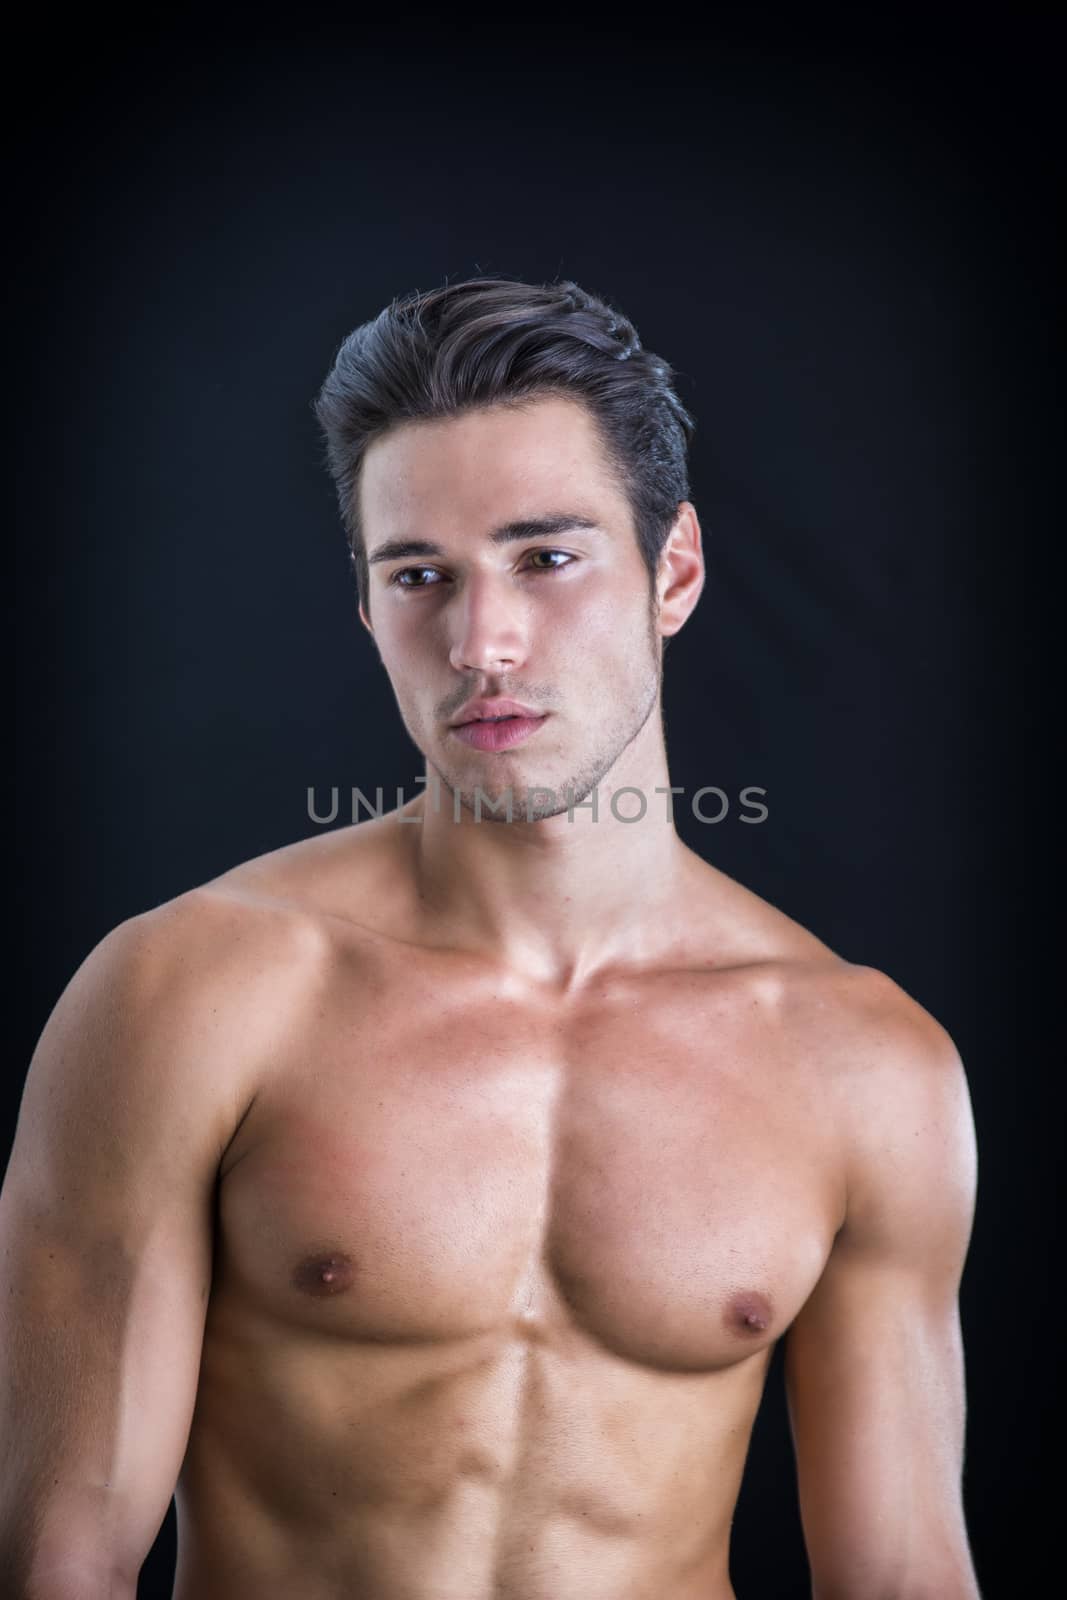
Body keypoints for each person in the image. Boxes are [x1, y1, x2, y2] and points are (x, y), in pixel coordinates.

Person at [1, 276, 981, 1599]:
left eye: (546, 557)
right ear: (366, 606)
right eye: (420, 576)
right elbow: (57, 1554)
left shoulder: (866, 1064)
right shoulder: (190, 992)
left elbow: (906, 1577)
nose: (483, 642)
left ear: (673, 570)